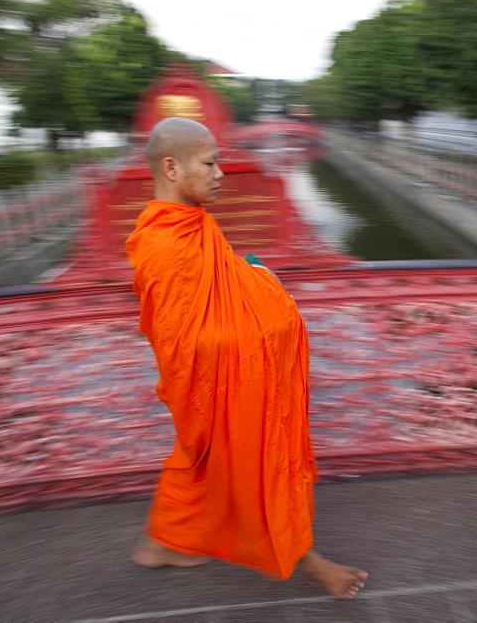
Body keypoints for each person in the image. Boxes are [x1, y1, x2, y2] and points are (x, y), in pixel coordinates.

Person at [124, 117, 368, 599]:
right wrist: (262, 320)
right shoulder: (161, 242)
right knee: (244, 463)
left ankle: (160, 546)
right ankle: (309, 562)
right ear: (172, 168)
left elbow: (225, 278)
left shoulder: (193, 225)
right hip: (214, 381)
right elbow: (192, 336)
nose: (221, 174)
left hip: (217, 381)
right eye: (210, 163)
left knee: (200, 465)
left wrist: (256, 276)